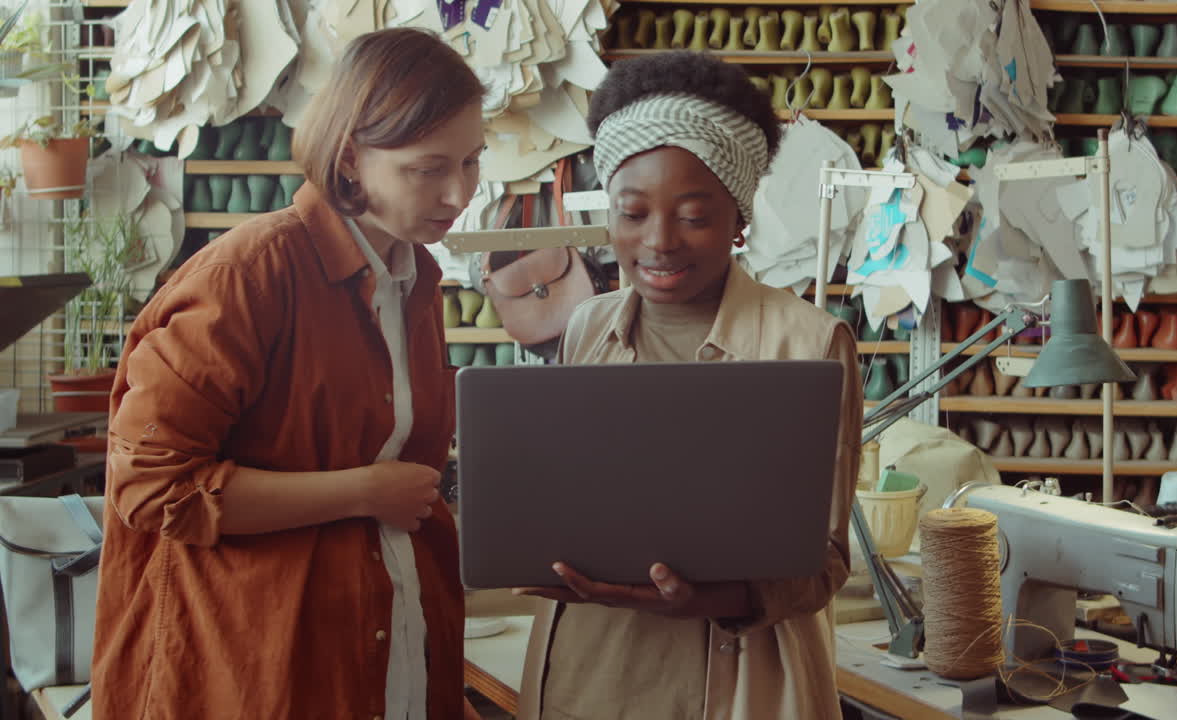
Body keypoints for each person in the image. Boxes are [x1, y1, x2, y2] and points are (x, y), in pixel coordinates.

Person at [92, 28, 486, 719]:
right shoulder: (249, 275)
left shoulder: (414, 277)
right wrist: (362, 491)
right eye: (428, 169)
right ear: (350, 157)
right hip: (257, 670)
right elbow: (153, 487)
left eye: (472, 161)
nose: (459, 193)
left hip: (383, 656)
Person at [513, 51, 862, 720]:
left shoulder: (810, 343)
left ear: (739, 218)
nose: (659, 241)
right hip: (587, 676)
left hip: (733, 683)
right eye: (632, 213)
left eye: (695, 216)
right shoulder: (587, 327)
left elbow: (825, 560)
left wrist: (709, 600)